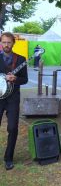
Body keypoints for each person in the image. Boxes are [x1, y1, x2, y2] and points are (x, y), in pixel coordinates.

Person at [0, 32, 28, 170]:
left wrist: (15, 78)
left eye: (8, 42)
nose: (6, 45)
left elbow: (25, 79)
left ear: (13, 43)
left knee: (12, 128)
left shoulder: (21, 59)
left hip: (13, 99)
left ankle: (9, 158)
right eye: (4, 42)